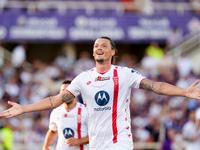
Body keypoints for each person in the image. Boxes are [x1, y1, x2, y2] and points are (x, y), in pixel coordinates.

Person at [1, 36, 200, 150]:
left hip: (119, 141)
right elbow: (55, 100)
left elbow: (156, 86)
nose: (99, 48)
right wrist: (24, 108)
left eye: (104, 45)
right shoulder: (83, 78)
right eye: (96, 46)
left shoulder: (124, 74)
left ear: (113, 52)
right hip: (96, 143)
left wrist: (185, 92)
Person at [43, 80, 89, 150]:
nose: (65, 93)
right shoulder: (56, 112)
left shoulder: (85, 111)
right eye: (63, 91)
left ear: (75, 93)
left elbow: (96, 135)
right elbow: (52, 131)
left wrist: (79, 141)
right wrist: (46, 147)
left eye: (68, 90)